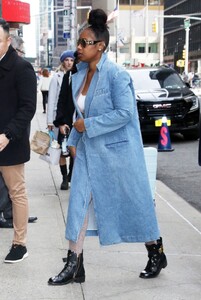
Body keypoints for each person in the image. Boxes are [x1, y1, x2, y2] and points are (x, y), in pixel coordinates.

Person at [48, 9, 167, 285]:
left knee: (134, 205)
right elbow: (78, 116)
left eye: (83, 43)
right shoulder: (77, 75)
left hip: (118, 154)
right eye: (78, 42)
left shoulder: (116, 75)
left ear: (100, 46)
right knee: (77, 203)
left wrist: (87, 125)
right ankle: (74, 263)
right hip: (90, 153)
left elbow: (125, 113)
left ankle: (155, 251)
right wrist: (74, 142)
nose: (78, 48)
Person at [0, 18, 37, 262]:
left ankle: (19, 244)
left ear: (8, 40)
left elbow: (28, 107)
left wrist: (8, 134)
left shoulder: (22, 68)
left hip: (9, 142)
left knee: (16, 193)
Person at [47, 50, 75, 190]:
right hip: (60, 118)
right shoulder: (56, 77)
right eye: (66, 60)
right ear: (62, 62)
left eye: (71, 60)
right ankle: (64, 178)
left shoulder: (77, 76)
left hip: (73, 118)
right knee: (61, 150)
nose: (69, 62)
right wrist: (50, 121)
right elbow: (51, 100)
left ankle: (71, 174)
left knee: (73, 150)